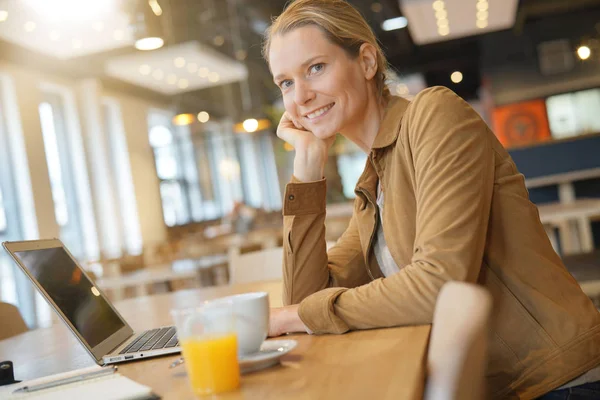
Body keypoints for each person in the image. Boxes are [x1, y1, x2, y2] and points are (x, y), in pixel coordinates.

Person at [262, 0, 600, 399]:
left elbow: (438, 282)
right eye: (285, 82)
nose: (300, 96)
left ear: (367, 61)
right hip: (499, 386)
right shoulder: (375, 176)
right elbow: (305, 300)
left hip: (561, 380)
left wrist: (296, 316)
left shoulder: (433, 115)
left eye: (315, 68)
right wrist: (307, 166)